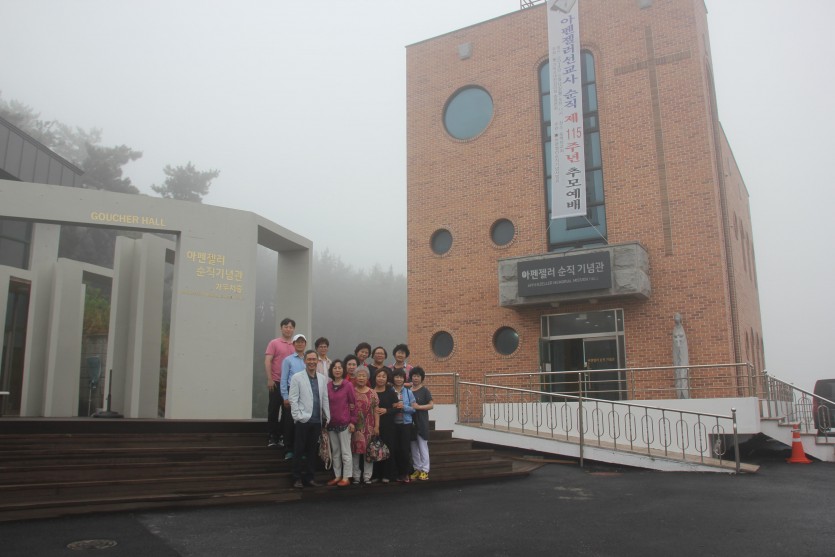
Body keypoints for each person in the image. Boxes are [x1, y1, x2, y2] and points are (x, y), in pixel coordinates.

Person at [289, 350, 330, 488]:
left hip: (317, 421)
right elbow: (293, 399)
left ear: (317, 361)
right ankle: (296, 478)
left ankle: (310, 478)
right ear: (304, 361)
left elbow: (324, 398)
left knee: (312, 451)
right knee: (299, 450)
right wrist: (297, 416)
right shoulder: (297, 377)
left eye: (314, 359)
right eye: (309, 359)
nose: (312, 362)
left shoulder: (322, 378)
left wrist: (327, 415)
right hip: (303, 420)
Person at [264, 318, 295, 448]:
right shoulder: (274, 343)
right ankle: (272, 436)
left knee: (287, 411)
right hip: (276, 381)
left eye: (291, 327)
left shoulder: (296, 344)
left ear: (293, 329)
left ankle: (283, 436)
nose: (288, 329)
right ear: (281, 328)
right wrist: (269, 379)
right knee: (273, 409)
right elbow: (268, 361)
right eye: (286, 327)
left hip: (290, 384)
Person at [325, 359, 356, 487]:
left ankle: (346, 477)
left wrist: (352, 421)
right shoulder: (328, 386)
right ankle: (337, 476)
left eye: (339, 368)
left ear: (343, 370)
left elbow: (353, 404)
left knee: (345, 452)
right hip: (331, 424)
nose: (337, 370)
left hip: (344, 424)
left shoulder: (348, 385)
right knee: (335, 452)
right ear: (331, 370)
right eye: (335, 368)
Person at [280, 333, 308, 460]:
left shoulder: (309, 359)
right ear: (294, 344)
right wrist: (285, 397)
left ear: (305, 344)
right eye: (298, 342)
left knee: (302, 423)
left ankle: (301, 450)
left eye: (302, 342)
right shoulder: (288, 360)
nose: (300, 344)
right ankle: (288, 449)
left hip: (305, 393)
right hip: (292, 392)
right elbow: (283, 380)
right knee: (289, 423)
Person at [351, 367, 379, 484]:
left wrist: (377, 426)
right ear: (355, 377)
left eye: (364, 376)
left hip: (369, 427)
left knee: (368, 452)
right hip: (355, 426)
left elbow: (376, 410)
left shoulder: (372, 393)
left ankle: (367, 476)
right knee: (355, 451)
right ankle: (356, 476)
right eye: (359, 375)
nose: (361, 378)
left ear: (367, 378)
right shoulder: (351, 391)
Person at [390, 368, 416, 482]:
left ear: (404, 379)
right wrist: (393, 406)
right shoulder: (390, 391)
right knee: (395, 449)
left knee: (405, 449)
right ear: (393, 378)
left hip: (406, 424)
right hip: (393, 424)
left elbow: (414, 409)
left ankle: (405, 473)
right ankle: (396, 473)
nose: (399, 379)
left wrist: (404, 407)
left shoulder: (408, 392)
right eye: (396, 377)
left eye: (401, 377)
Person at [373, 368, 398, 483]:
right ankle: (376, 475)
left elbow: (397, 408)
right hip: (374, 426)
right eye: (379, 376)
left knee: (388, 450)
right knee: (375, 449)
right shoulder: (371, 392)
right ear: (375, 377)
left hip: (389, 426)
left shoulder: (391, 392)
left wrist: (386, 410)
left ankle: (387, 475)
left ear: (387, 378)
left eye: (383, 376)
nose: (381, 379)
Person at [409, 367, 434, 481]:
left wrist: (419, 407)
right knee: (413, 446)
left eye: (418, 376)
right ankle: (417, 469)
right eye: (414, 376)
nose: (416, 378)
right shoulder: (408, 390)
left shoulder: (425, 390)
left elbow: (431, 405)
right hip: (410, 422)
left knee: (422, 446)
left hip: (421, 422)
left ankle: (425, 470)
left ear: (421, 378)